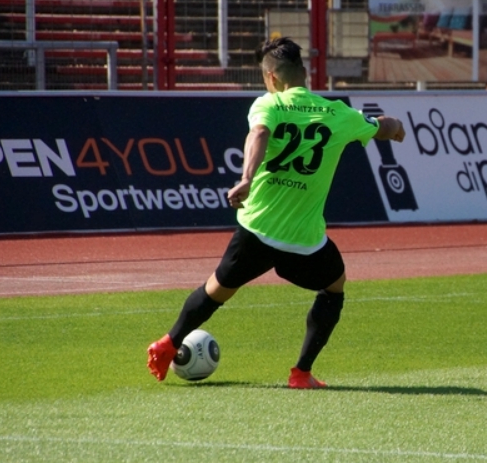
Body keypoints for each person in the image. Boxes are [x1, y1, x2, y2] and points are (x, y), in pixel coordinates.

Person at [147, 37, 406, 388]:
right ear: (304, 73)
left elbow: (259, 133)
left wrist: (247, 178)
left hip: (257, 229)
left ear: (271, 77)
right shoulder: (339, 114)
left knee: (216, 290)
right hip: (303, 241)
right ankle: (301, 373)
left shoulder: (268, 105)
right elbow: (385, 127)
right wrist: (395, 128)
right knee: (334, 288)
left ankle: (168, 342)